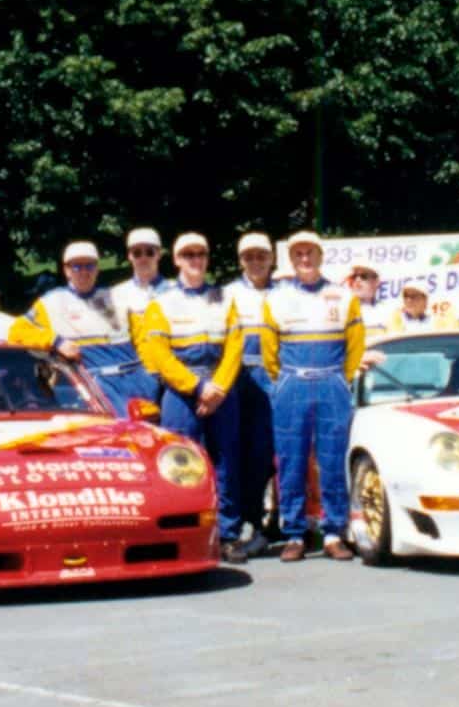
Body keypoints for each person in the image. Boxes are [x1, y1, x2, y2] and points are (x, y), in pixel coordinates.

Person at [138, 233, 245, 562]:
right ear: (176, 260)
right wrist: (197, 388)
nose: (195, 260)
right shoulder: (161, 303)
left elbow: (235, 347)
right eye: (188, 255)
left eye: (200, 254)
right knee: (180, 463)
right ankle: (183, 534)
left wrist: (219, 388)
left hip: (221, 385)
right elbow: (160, 355)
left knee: (227, 461)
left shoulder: (224, 298)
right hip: (182, 390)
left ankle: (227, 534)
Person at [259, 230, 364, 562]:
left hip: (332, 381)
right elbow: (269, 352)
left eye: (310, 253)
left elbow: (356, 345)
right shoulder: (275, 298)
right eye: (298, 254)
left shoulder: (343, 296)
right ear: (291, 259)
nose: (305, 259)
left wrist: (341, 379)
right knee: (290, 460)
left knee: (332, 459)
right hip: (293, 383)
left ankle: (333, 531)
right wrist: (283, 382)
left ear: (320, 256)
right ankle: (295, 532)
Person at [11, 241, 152, 415]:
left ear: (97, 268)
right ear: (67, 270)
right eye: (77, 266)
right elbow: (16, 332)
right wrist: (56, 341)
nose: (84, 272)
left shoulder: (119, 297)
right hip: (91, 385)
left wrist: (150, 376)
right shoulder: (51, 302)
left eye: (89, 266)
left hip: (134, 379)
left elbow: (144, 339)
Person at [224, 233, 279, 553]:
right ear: (241, 260)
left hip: (276, 375)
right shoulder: (228, 293)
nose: (256, 263)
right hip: (239, 375)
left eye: (261, 256)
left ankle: (274, 520)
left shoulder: (285, 293)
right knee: (238, 451)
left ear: (271, 259)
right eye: (249, 257)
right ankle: (244, 521)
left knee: (272, 452)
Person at [109, 228, 174, 398]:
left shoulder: (177, 290)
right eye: (137, 253)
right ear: (129, 256)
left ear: (159, 254)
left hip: (174, 376)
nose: (143, 258)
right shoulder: (117, 294)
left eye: (149, 252)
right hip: (137, 376)